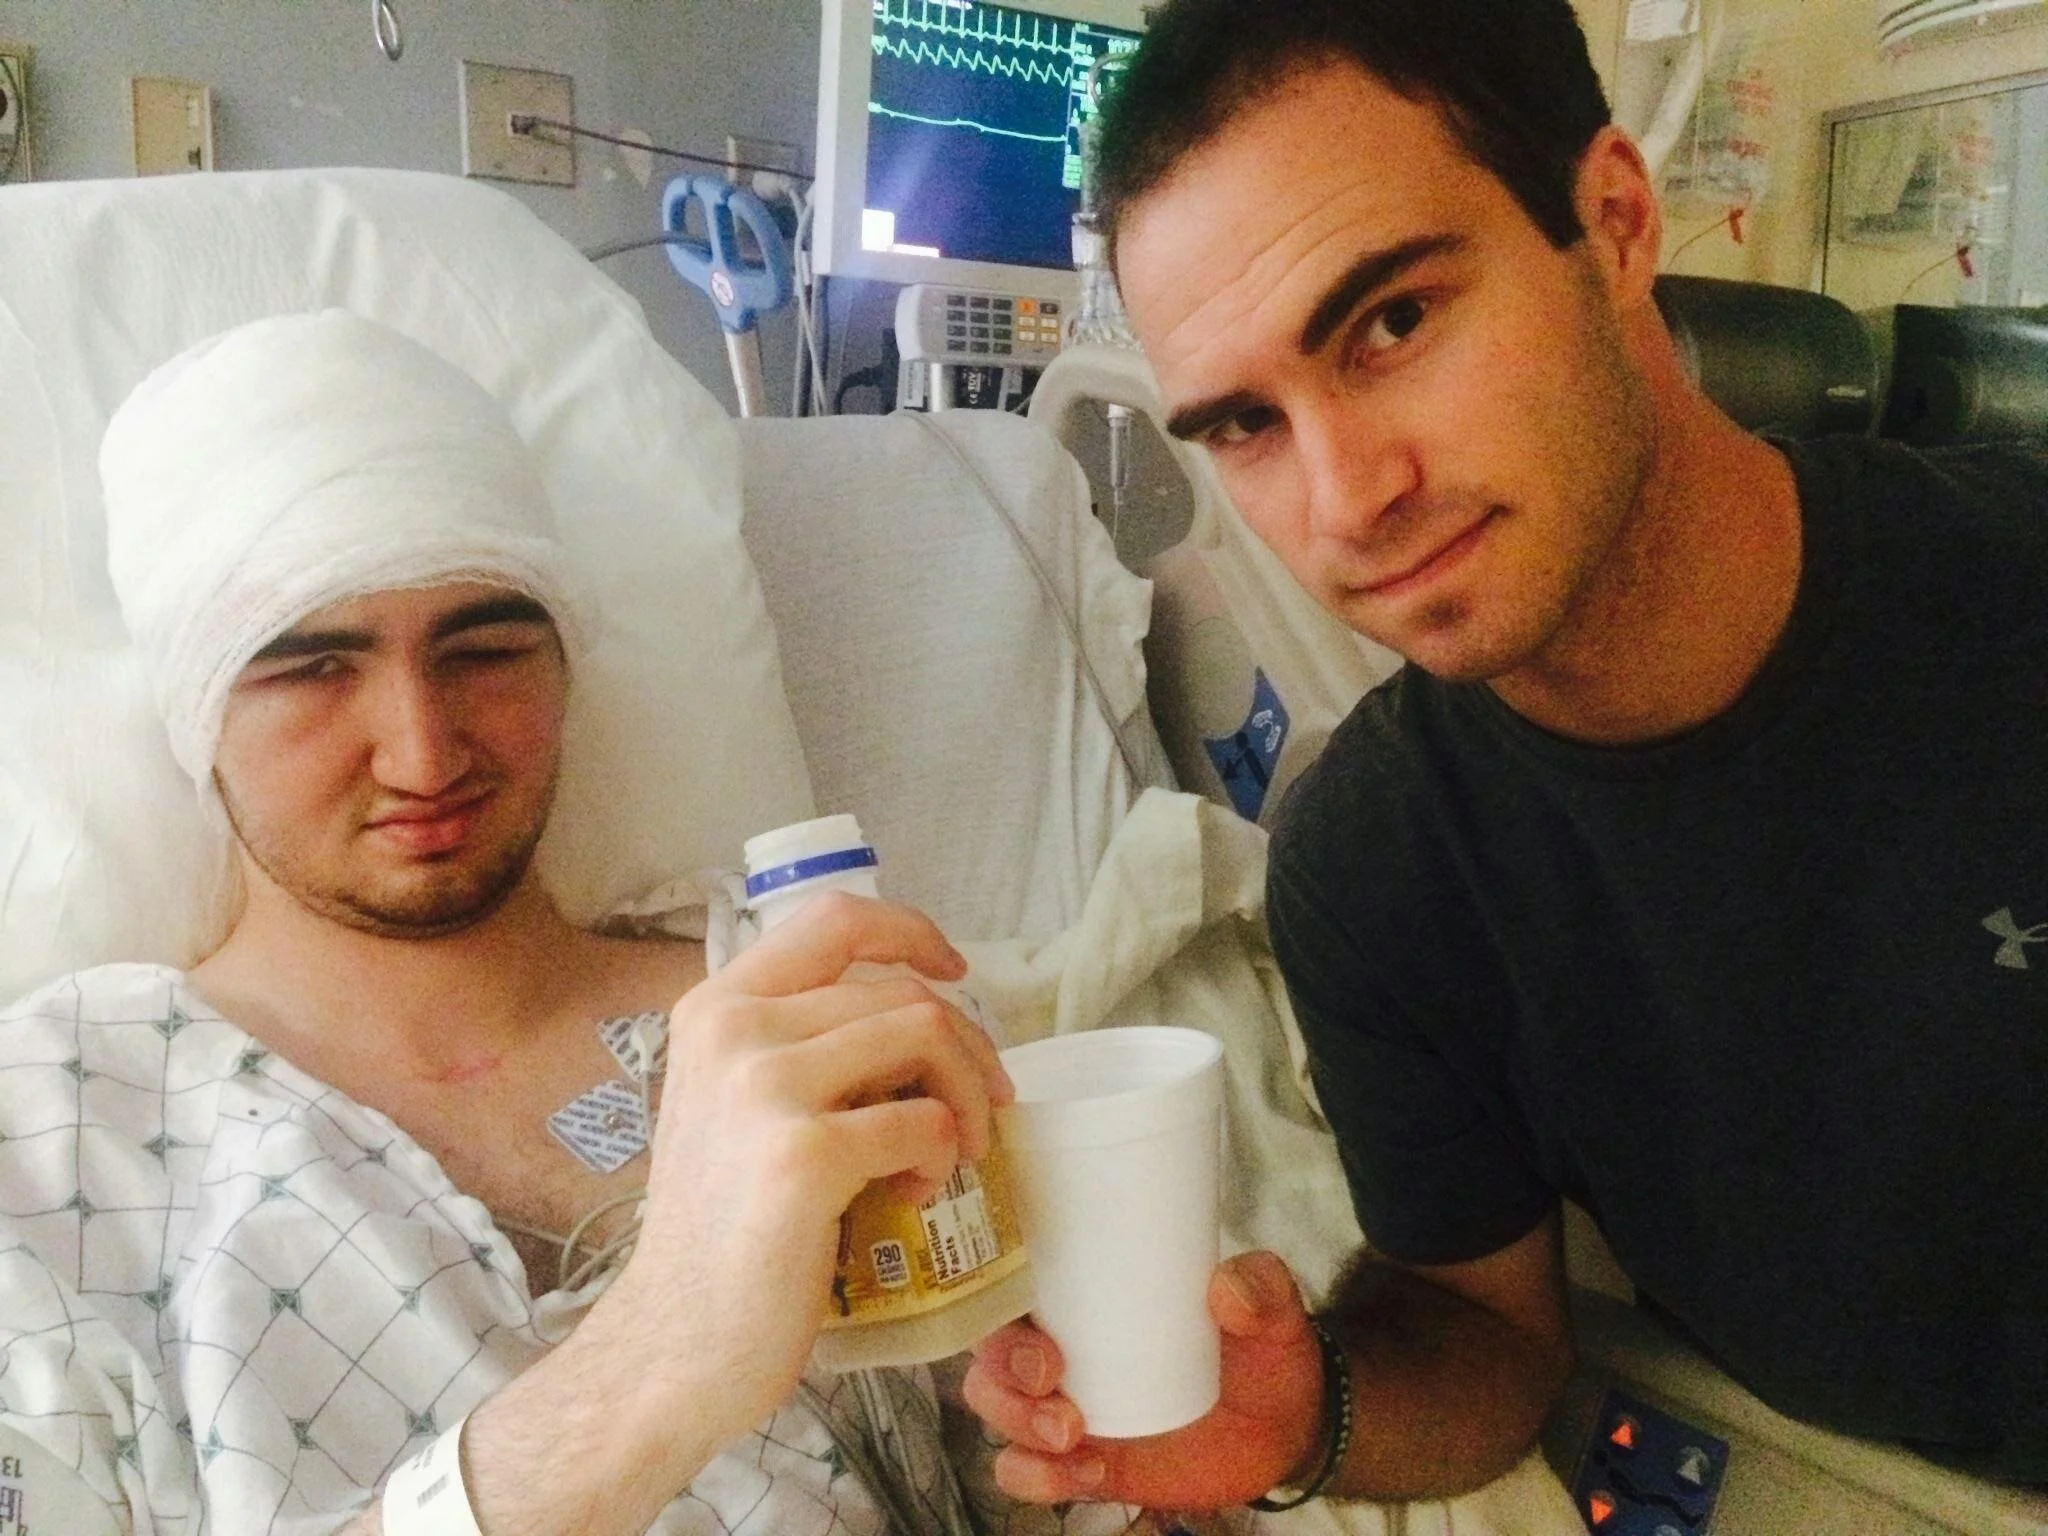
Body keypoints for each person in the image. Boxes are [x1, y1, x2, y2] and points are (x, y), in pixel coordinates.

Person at [964, 0, 2048, 1508]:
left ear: (1613, 224)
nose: (1346, 499)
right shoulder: (1377, 865)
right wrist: (1303, 1416)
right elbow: (1481, 1334)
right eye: (1247, 424)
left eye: (1391, 322)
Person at [0, 311, 1010, 1536]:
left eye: (483, 649)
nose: (423, 753)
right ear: (195, 706)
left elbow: (1040, 1448)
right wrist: (656, 1361)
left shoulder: (809, 996)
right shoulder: (58, 1149)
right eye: (312, 669)